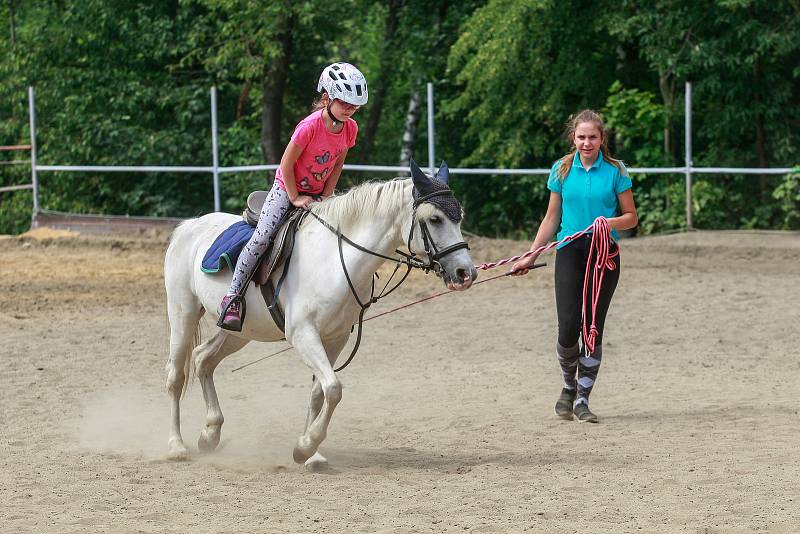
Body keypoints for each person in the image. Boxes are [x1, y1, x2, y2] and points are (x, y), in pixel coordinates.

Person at [218, 62, 368, 331]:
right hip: (286, 189)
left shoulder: (350, 128)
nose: (349, 109)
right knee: (262, 237)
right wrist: (296, 196)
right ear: (326, 98)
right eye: (344, 102)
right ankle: (232, 296)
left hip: (318, 193)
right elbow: (286, 165)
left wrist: (328, 195)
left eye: (354, 105)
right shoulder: (308, 127)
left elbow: (337, 164)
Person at [511, 109, 638, 423]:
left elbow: (631, 218)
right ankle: (568, 385)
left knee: (592, 328)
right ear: (573, 138)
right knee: (569, 327)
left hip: (603, 254)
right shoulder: (562, 170)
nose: (586, 142)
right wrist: (531, 254)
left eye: (592, 137)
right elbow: (552, 218)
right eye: (581, 137)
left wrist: (608, 222)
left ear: (601, 139)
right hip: (569, 251)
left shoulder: (616, 171)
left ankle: (582, 398)